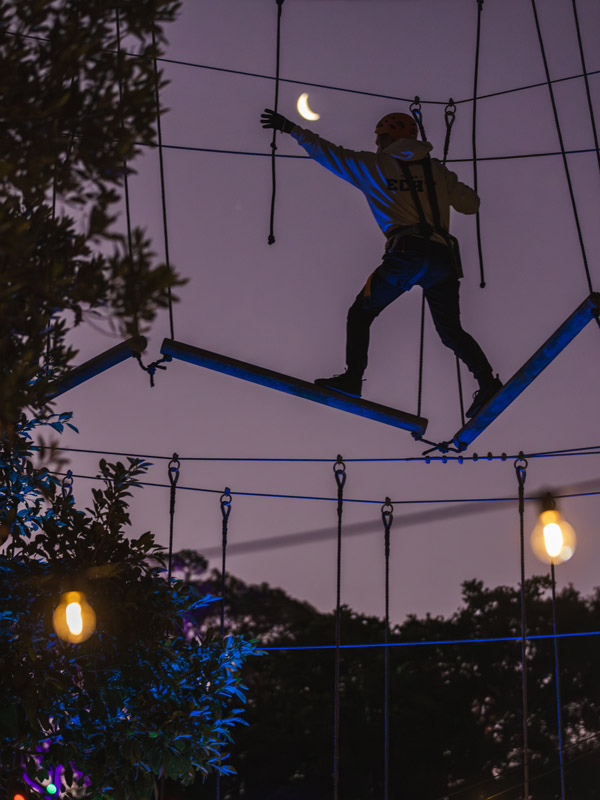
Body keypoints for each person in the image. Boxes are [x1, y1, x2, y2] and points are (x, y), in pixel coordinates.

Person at [260, 108, 502, 418]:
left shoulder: (374, 165)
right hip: (443, 259)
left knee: (361, 313)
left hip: (407, 254)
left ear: (388, 137)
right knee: (451, 331)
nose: (377, 144)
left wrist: (291, 128)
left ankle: (352, 378)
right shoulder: (436, 170)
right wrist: (439, 183)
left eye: (380, 138)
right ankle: (487, 382)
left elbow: (328, 153)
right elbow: (472, 205)